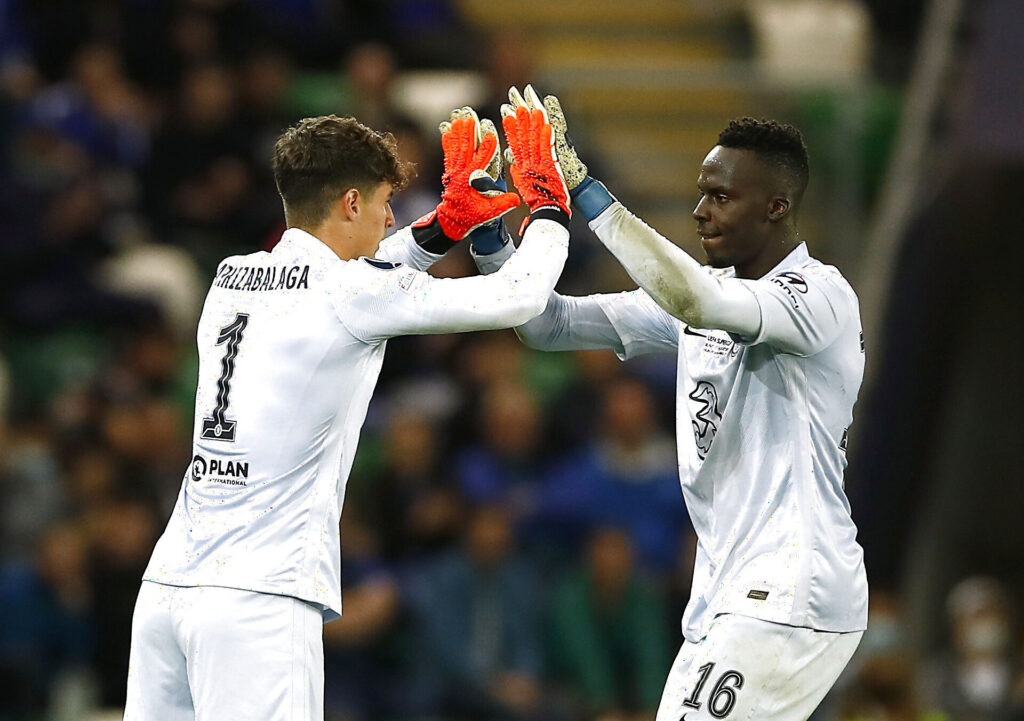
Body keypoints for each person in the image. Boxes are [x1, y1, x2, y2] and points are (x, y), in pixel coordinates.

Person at [122, 102, 574, 721]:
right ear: (352, 203)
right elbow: (520, 297)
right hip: (259, 600)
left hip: (168, 589)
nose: (393, 217)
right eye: (387, 201)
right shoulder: (351, 294)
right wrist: (548, 207)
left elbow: (355, 276)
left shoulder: (231, 276)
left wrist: (442, 229)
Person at [483, 86, 868, 721]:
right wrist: (492, 235)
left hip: (792, 591)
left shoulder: (819, 296)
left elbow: (697, 305)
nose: (700, 211)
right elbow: (545, 325)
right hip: (728, 597)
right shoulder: (704, 296)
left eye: (721, 196)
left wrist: (584, 189)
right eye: (701, 192)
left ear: (777, 207)